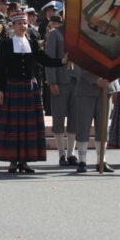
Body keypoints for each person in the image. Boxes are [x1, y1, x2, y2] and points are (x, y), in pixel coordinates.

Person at [0, 10, 65, 174]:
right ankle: (13, 160)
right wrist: (0, 90)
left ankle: (25, 160)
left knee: (27, 126)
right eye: (19, 23)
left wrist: (61, 61)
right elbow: (1, 69)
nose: (22, 26)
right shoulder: (5, 44)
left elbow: (43, 59)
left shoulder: (32, 42)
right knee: (13, 126)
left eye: (25, 23)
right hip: (12, 86)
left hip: (29, 87)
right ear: (13, 26)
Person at [70, 65, 119, 174]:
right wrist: (96, 79)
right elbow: (80, 63)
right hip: (86, 88)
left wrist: (114, 84)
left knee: (103, 127)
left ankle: (101, 160)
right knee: (83, 126)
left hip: (107, 88)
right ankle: (82, 161)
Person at [43, 14, 77, 166]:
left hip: (77, 81)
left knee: (75, 119)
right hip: (60, 81)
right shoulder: (55, 33)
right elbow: (49, 59)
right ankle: (61, 154)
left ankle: (71, 153)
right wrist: (52, 81)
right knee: (58, 118)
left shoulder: (80, 34)